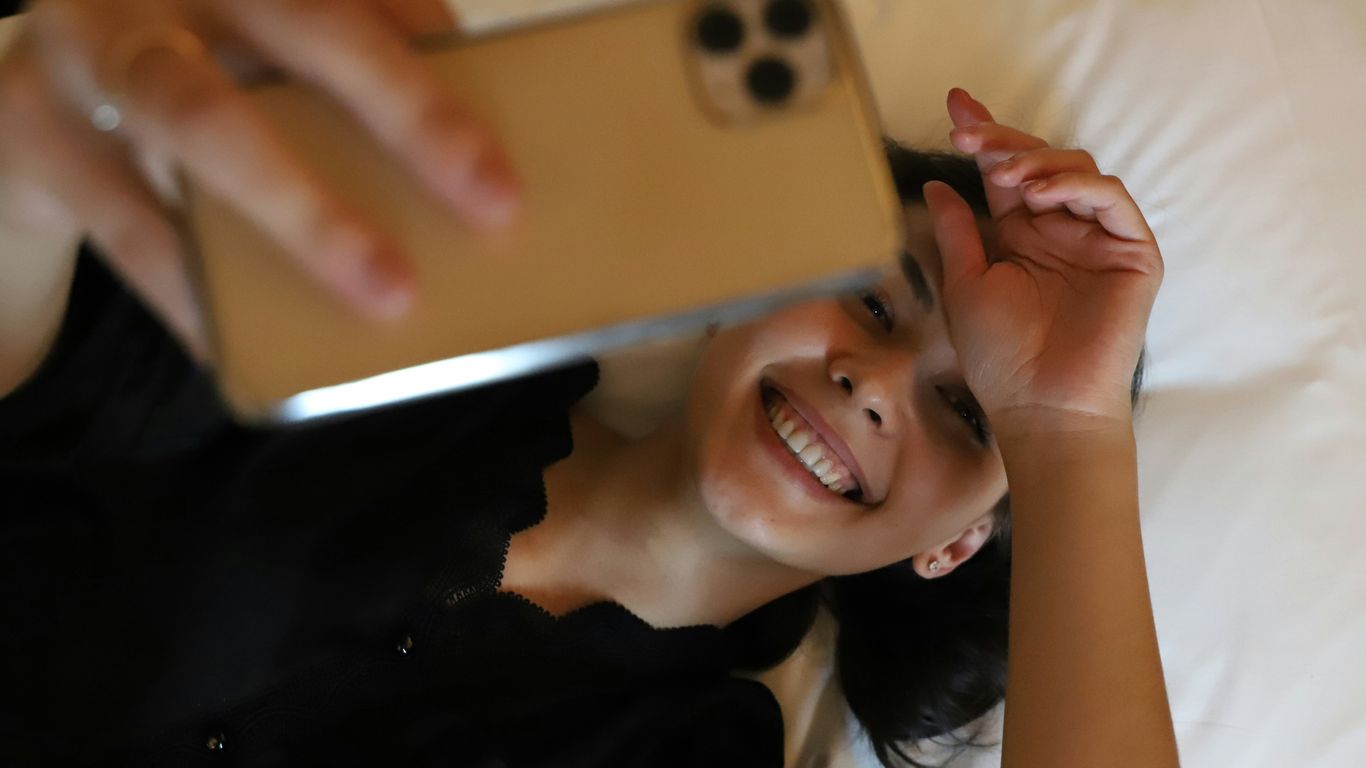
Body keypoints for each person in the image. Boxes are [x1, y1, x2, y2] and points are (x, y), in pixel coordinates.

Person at [0, 1, 1180, 766]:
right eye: (875, 300)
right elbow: (41, 372)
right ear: (759, 278)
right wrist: (38, 140)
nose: (871, 383)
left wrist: (1064, 427)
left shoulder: (693, 755)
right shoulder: (416, 329)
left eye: (966, 408)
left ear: (954, 550)